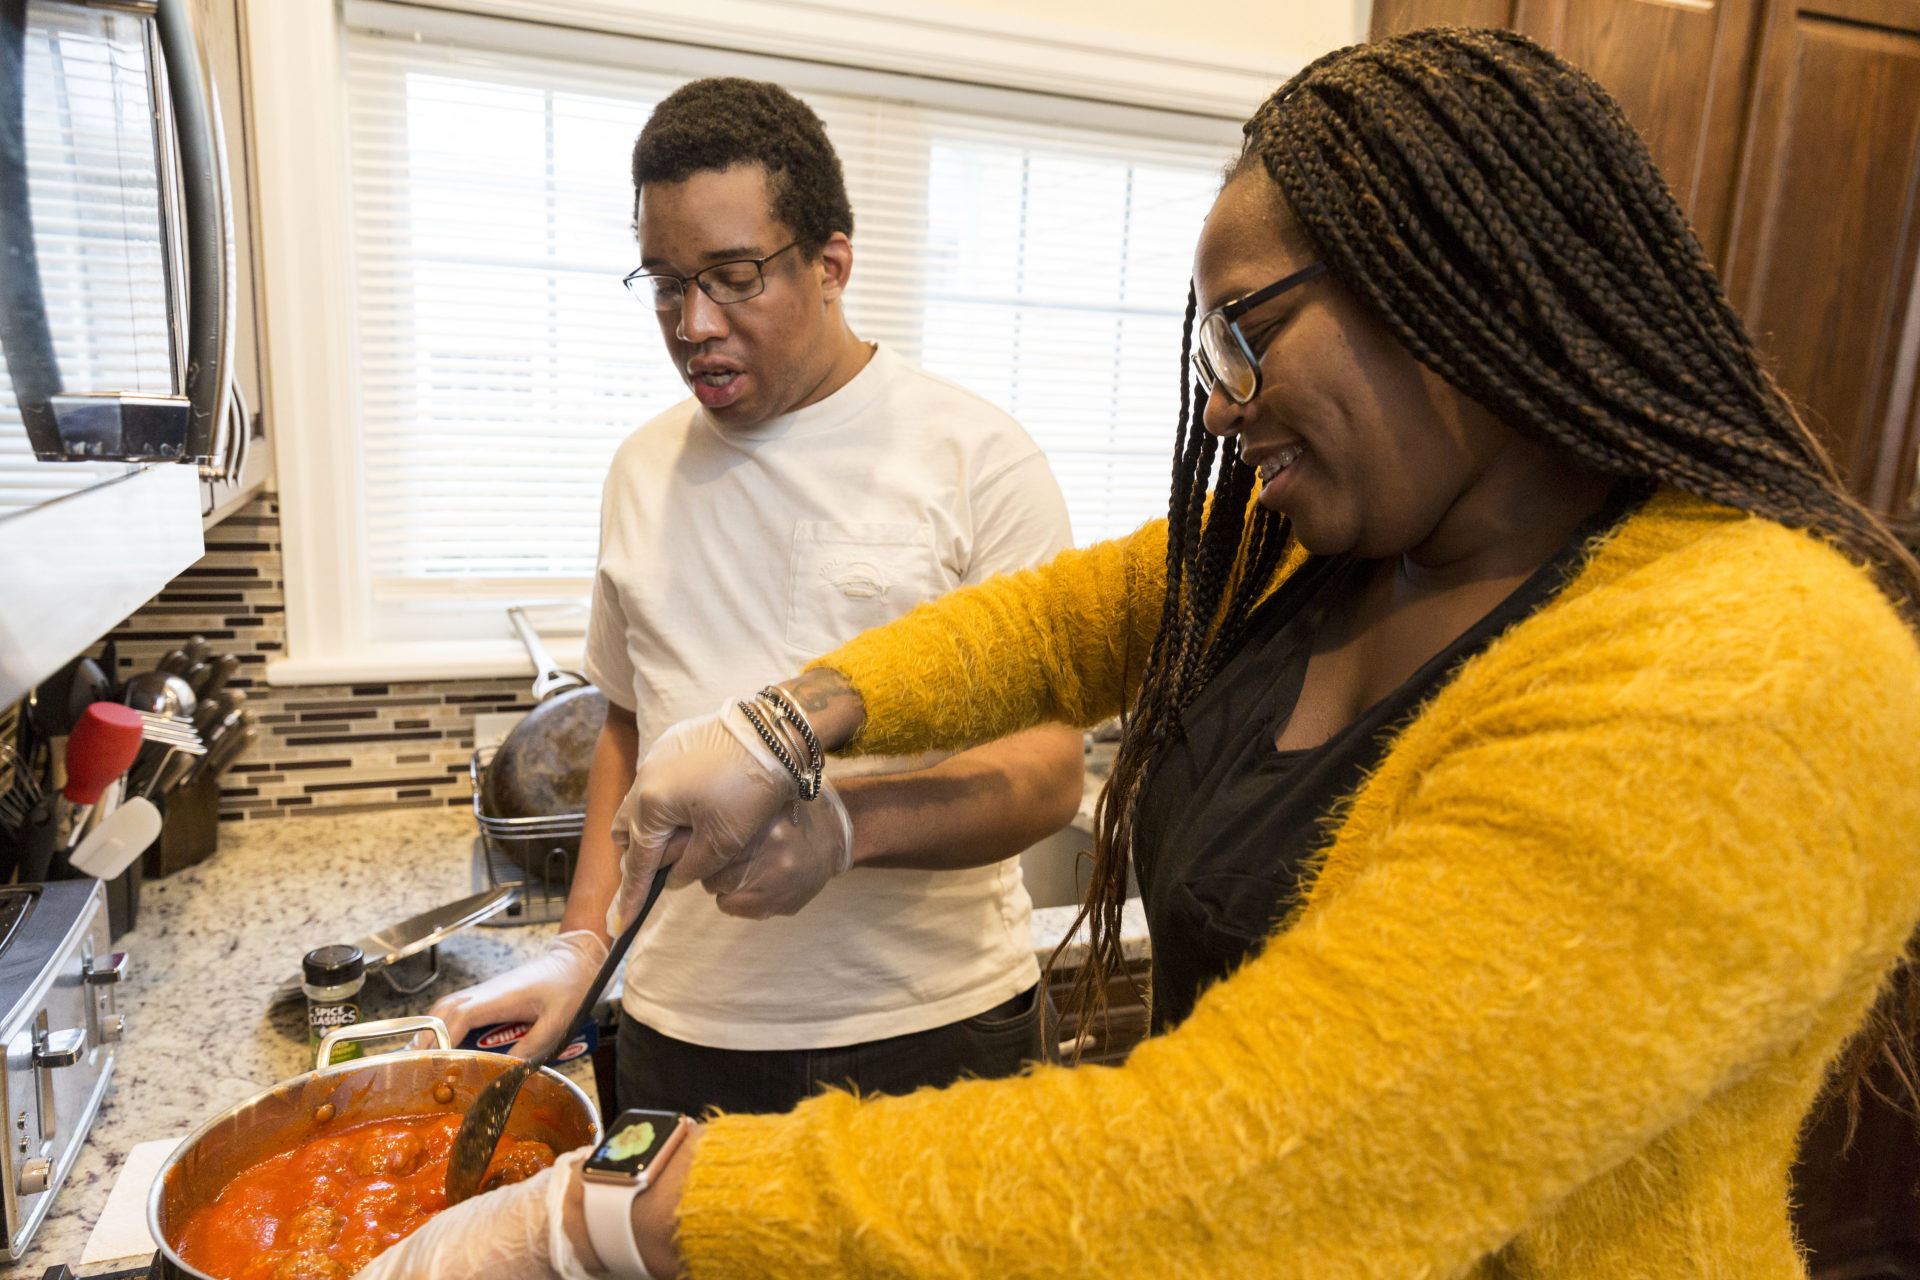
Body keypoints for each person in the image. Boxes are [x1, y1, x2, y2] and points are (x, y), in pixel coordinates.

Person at [359, 29, 1920, 1280]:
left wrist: (614, 1212)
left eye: (1248, 332)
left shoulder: (1747, 671)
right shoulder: (1317, 550)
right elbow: (1051, 622)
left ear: (1460, 283)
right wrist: (794, 718)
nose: (1222, 401)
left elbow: (1263, 1176)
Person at [426, 76, 1084, 1120]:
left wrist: (845, 828)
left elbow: (1048, 774)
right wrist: (582, 942)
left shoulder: (977, 460)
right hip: (683, 1032)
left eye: (732, 277)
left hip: (933, 1026)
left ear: (832, 263)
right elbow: (628, 733)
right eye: (663, 284)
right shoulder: (642, 470)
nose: (692, 323)